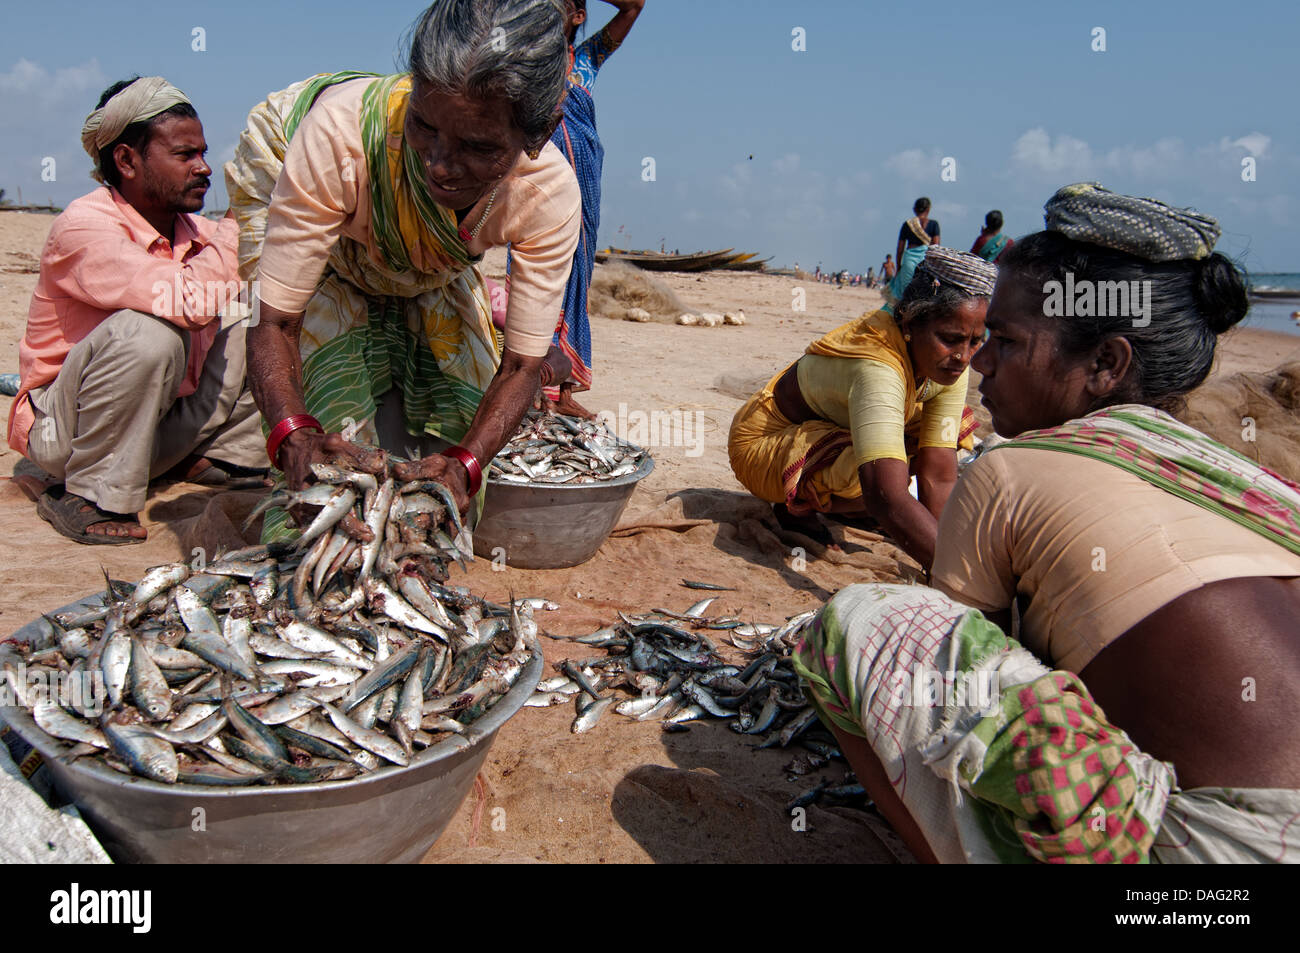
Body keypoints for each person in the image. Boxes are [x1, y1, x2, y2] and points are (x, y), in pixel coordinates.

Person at [793, 183, 1300, 863]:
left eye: (1003, 341)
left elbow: (963, 670)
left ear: (1105, 364)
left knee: (862, 621)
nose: (981, 364)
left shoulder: (1008, 471)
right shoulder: (1248, 481)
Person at [228, 0, 582, 539]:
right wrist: (293, 435)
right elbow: (275, 323)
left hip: (422, 260)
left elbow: (520, 368)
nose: (439, 164)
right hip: (296, 173)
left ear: (539, 133)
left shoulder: (545, 195)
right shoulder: (339, 136)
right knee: (328, 473)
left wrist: (465, 464)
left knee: (454, 438)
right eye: (423, 125)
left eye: (478, 147)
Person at [7, 76, 265, 545]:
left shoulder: (198, 233)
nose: (205, 168)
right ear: (127, 160)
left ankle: (220, 454)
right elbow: (184, 301)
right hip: (67, 434)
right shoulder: (82, 227)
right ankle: (90, 493)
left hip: (159, 426)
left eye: (203, 153)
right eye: (185, 155)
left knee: (263, 311)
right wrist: (238, 223)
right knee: (151, 332)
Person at [728, 246, 994, 567]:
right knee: (877, 477)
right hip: (762, 444)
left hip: (833, 430)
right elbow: (887, 495)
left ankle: (850, 507)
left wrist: (944, 554)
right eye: (950, 339)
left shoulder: (949, 361)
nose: (964, 356)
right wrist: (961, 574)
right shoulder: (878, 367)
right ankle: (795, 509)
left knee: (937, 436)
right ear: (909, 325)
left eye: (975, 341)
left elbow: (938, 474)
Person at [506, 0, 644, 419]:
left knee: (577, 274)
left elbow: (634, 6)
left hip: (583, 188)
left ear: (578, 16)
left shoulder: (587, 59)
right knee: (532, 272)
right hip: (534, 185)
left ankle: (564, 391)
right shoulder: (525, 60)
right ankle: (523, 384)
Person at [884, 197, 939, 312]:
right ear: (928, 209)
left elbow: (900, 248)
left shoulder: (907, 224)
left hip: (909, 260)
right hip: (925, 260)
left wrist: (899, 266)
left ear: (915, 209)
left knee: (904, 292)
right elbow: (936, 247)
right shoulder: (934, 224)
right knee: (922, 292)